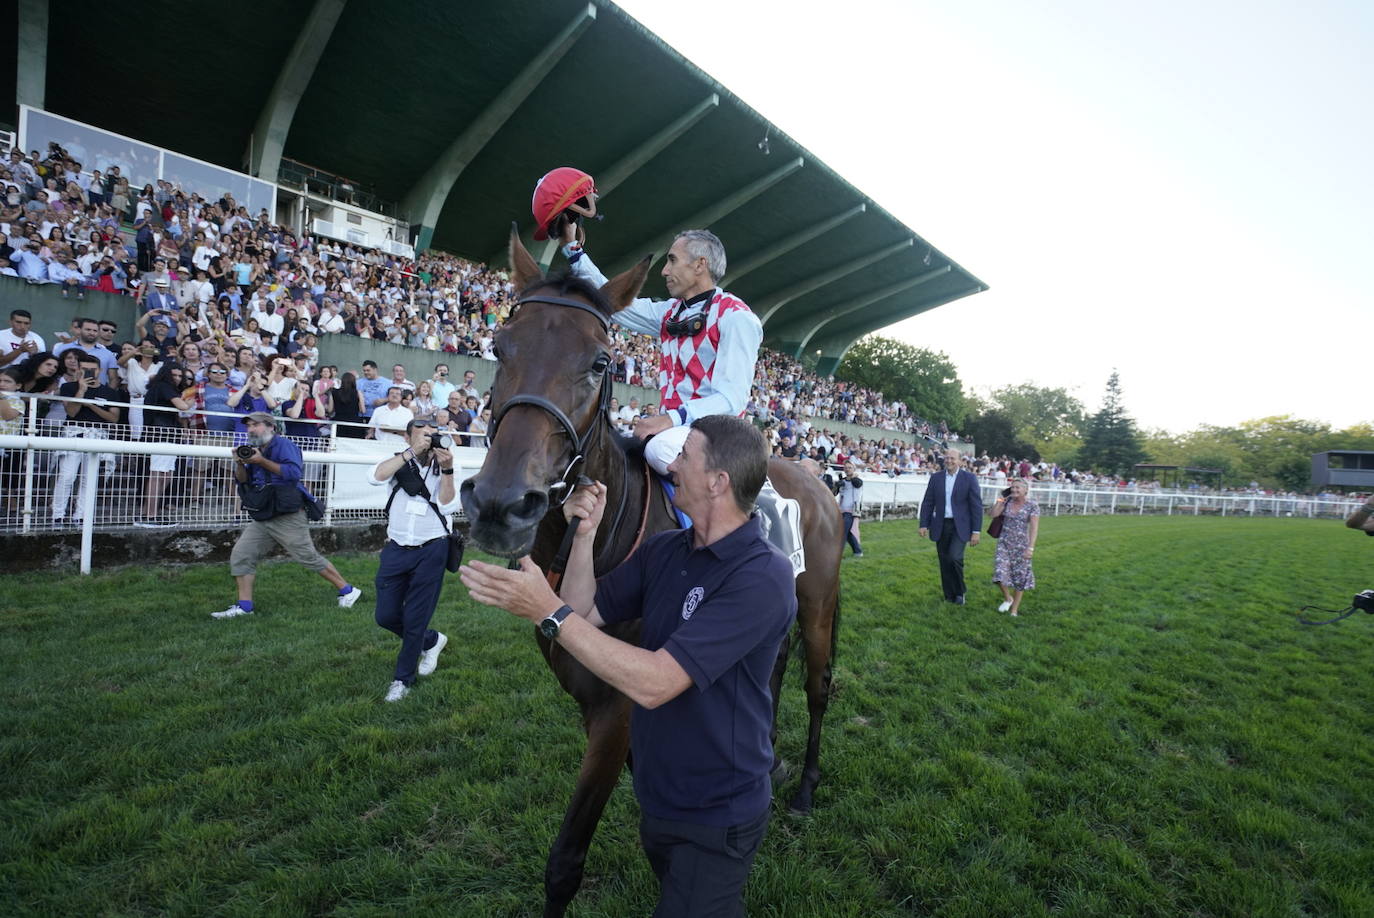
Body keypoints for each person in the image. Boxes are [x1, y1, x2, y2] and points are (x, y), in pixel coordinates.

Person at [460, 415, 795, 915]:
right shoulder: (666, 549)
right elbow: (586, 614)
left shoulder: (762, 576)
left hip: (716, 811)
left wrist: (545, 610)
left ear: (718, 482)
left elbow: (657, 682)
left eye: (684, 456)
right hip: (660, 798)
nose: (671, 463)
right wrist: (584, 537)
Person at [559, 211, 762, 476]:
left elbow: (732, 399)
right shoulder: (670, 312)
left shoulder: (736, 317)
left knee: (657, 449)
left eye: (672, 261)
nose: (665, 271)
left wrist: (671, 418)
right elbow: (613, 299)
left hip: (718, 436)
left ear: (699, 265)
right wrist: (572, 250)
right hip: (677, 431)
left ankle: (730, 511)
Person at [213, 412, 362, 619]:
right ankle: (245, 607)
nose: (250, 429)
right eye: (249, 426)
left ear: (271, 427)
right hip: (265, 514)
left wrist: (261, 461)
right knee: (241, 554)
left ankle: (348, 591)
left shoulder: (283, 445)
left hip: (287, 514)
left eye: (255, 425)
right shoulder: (254, 451)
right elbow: (242, 481)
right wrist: (239, 462)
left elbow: (293, 474)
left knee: (307, 557)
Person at [368, 419, 460, 702]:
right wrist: (409, 454)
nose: (427, 441)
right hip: (396, 548)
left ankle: (402, 679)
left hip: (432, 549)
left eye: (432, 436)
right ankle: (431, 641)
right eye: (421, 436)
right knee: (385, 615)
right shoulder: (400, 462)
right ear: (408, 438)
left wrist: (447, 470)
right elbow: (375, 476)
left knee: (415, 618)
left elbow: (448, 505)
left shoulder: (445, 463)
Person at [918, 448, 983, 604]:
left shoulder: (969, 478)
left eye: (953, 458)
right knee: (944, 560)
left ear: (960, 461)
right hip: (940, 525)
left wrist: (976, 531)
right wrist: (924, 524)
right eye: (947, 458)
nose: (949, 461)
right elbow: (928, 502)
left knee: (954, 557)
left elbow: (976, 506)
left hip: (960, 526)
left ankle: (960, 592)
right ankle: (949, 594)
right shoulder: (936, 478)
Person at [989, 478, 1039, 615]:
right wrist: (1000, 500)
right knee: (999, 573)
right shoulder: (1007, 501)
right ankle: (1008, 598)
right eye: (1013, 487)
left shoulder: (1032, 505)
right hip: (1004, 543)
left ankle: (1014, 610)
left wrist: (1031, 548)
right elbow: (993, 514)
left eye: (1018, 488)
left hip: (1022, 545)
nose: (1014, 490)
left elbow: (1034, 528)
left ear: (1025, 490)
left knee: (1020, 577)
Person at [837, 460, 864, 558]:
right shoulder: (843, 481)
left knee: (842, 531)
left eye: (850, 467)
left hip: (851, 511)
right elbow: (835, 492)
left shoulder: (857, 480)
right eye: (846, 468)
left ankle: (838, 553)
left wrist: (851, 476)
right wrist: (837, 485)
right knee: (848, 533)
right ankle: (858, 551)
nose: (847, 469)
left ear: (853, 469)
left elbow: (857, 483)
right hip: (842, 510)